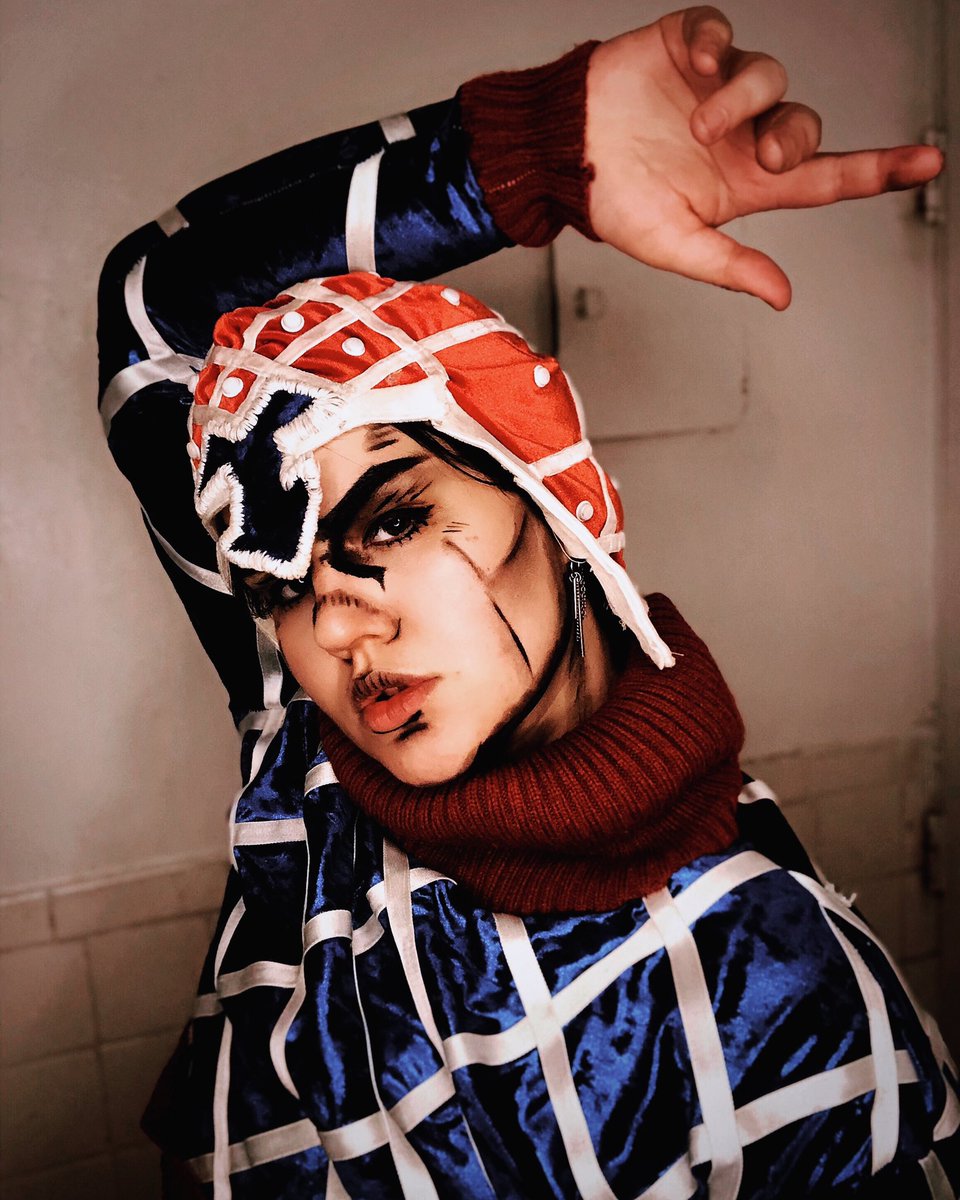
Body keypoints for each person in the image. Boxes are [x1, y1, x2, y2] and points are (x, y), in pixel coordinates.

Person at [97, 7, 957, 1198]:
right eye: (275, 582)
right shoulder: (306, 755)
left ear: (561, 505)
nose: (334, 626)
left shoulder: (786, 1006)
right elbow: (154, 319)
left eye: (394, 521)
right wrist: (534, 153)